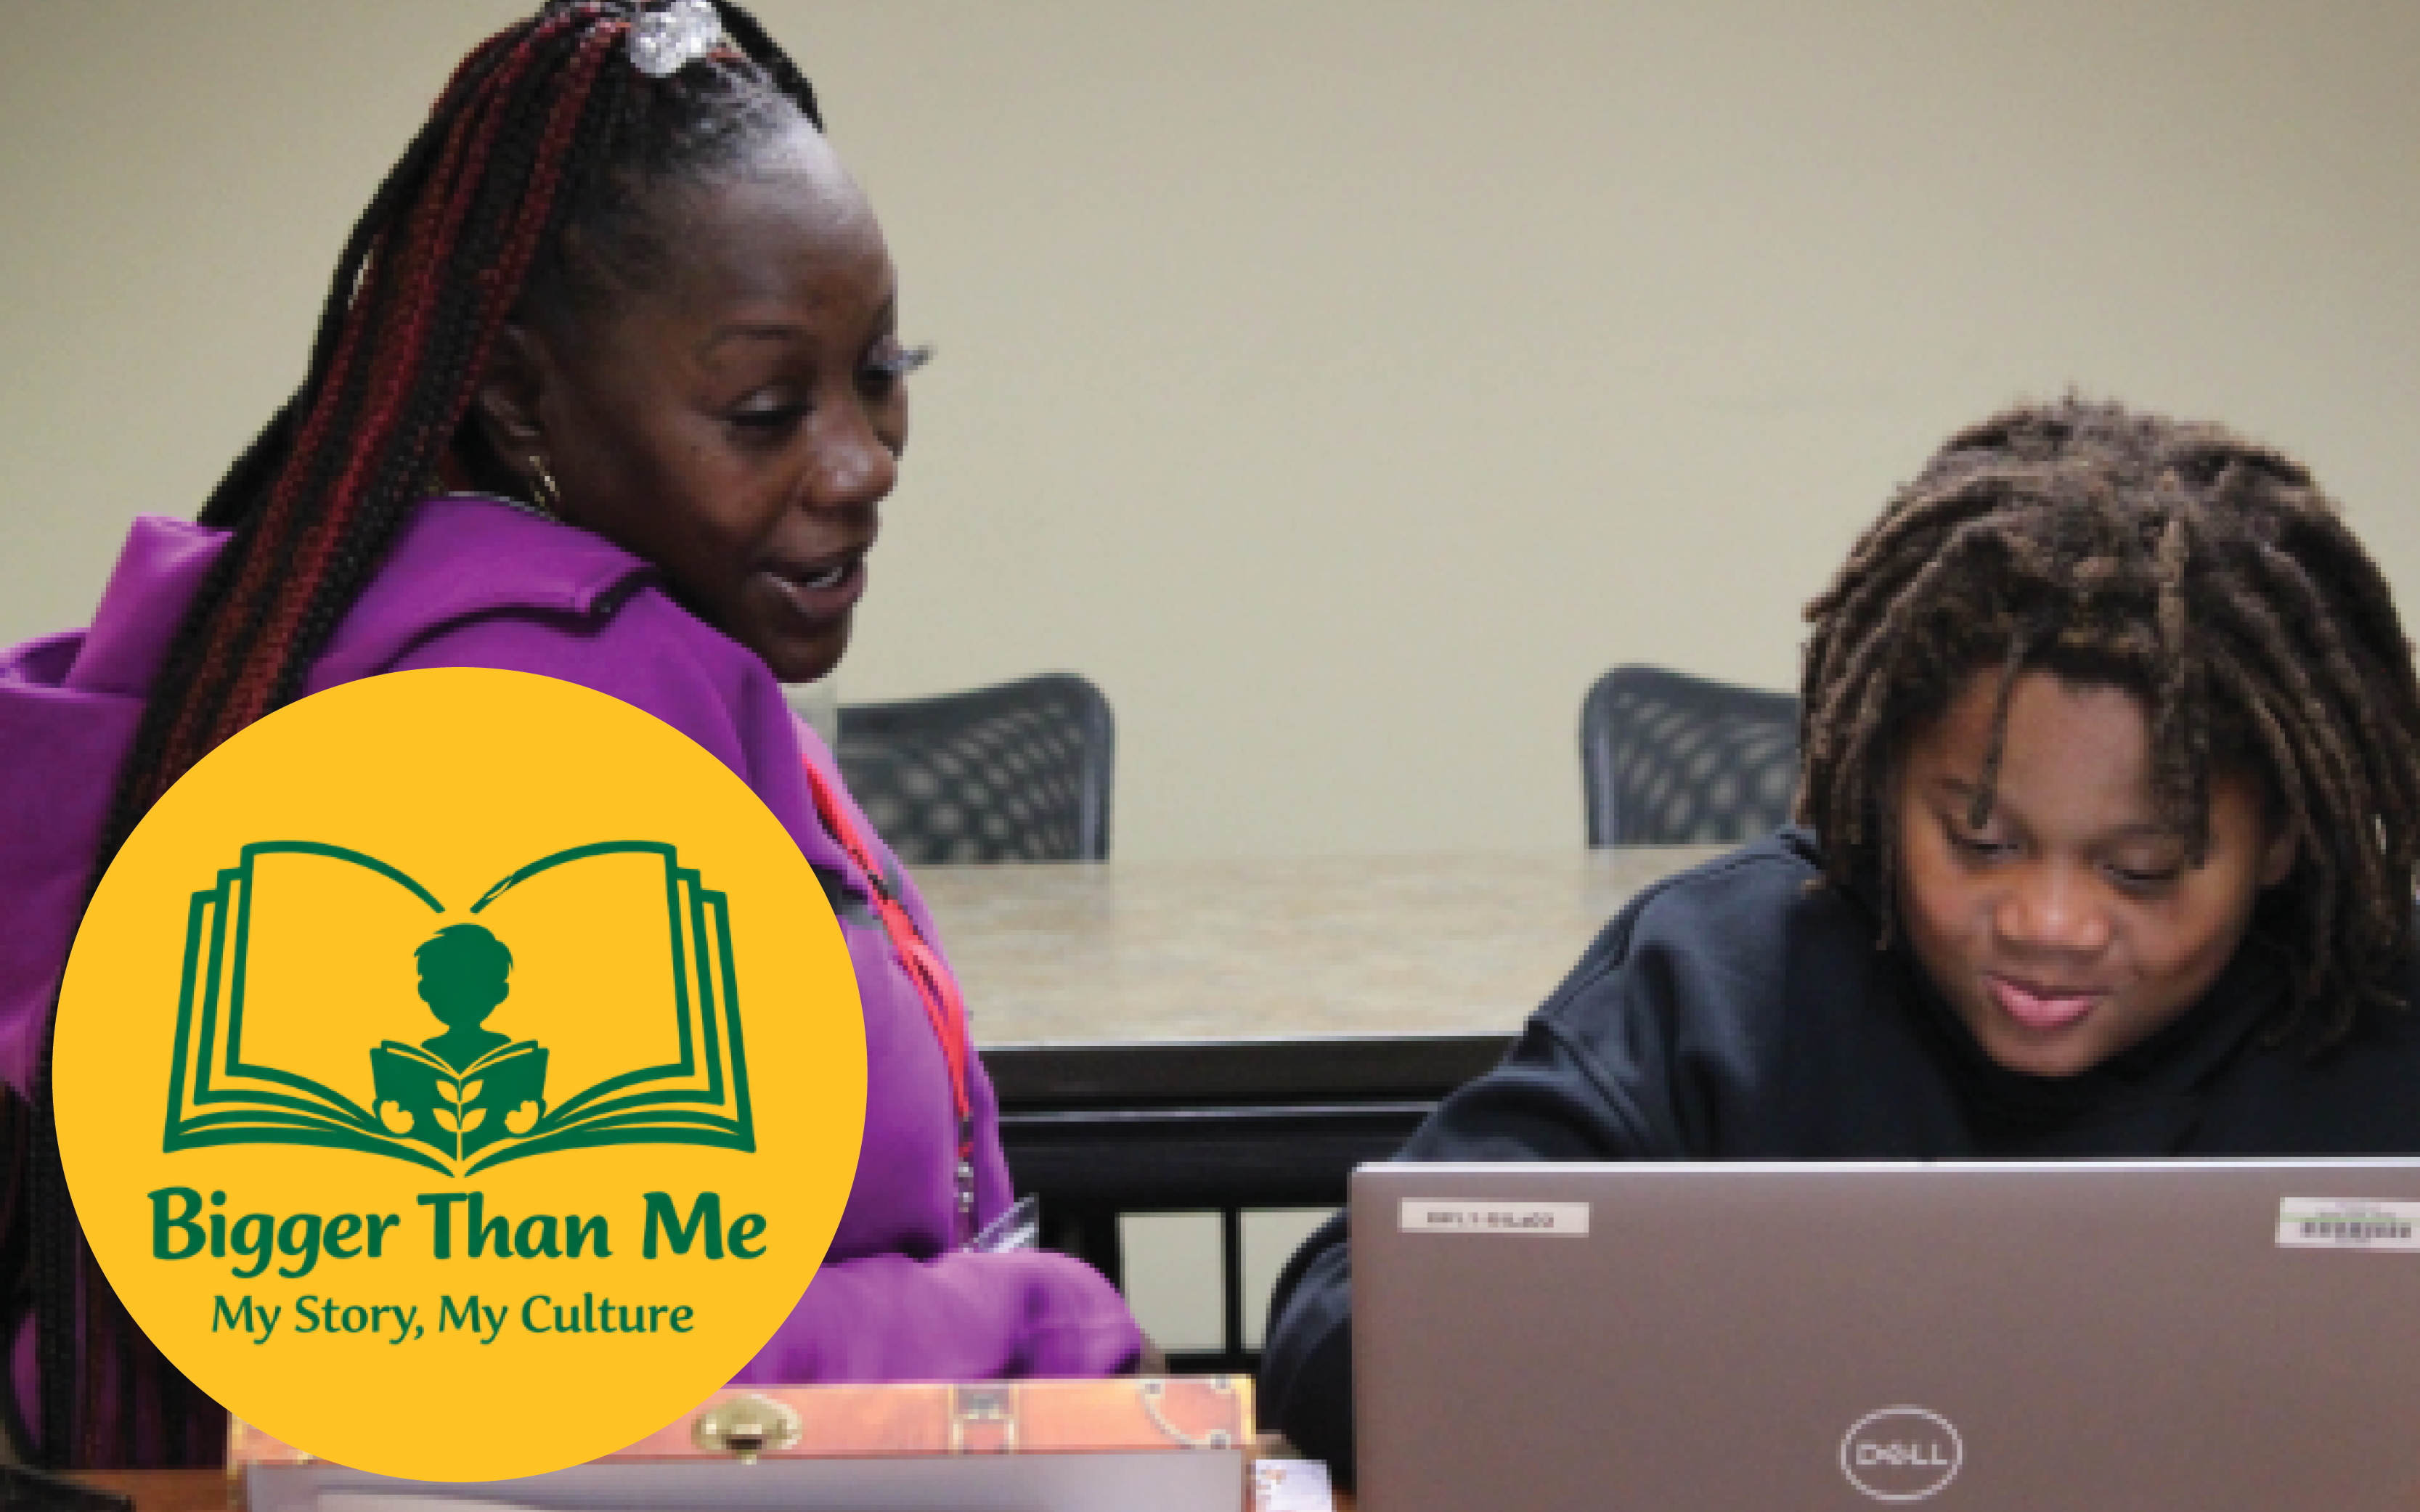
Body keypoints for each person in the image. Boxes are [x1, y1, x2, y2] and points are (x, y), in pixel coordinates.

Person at [0, 0, 1139, 1469]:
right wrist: (1033, 1331)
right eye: (765, 405)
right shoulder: (532, 723)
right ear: (523, 396)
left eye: (882, 369)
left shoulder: (400, 633)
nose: (860, 461)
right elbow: (545, 1349)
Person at [1258, 397, 2420, 1484]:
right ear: (1873, 784)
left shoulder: (2376, 1033)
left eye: (2142, 869)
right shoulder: (1730, 982)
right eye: (1977, 842)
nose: (2048, 925)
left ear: (2278, 842)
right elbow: (1350, 1329)